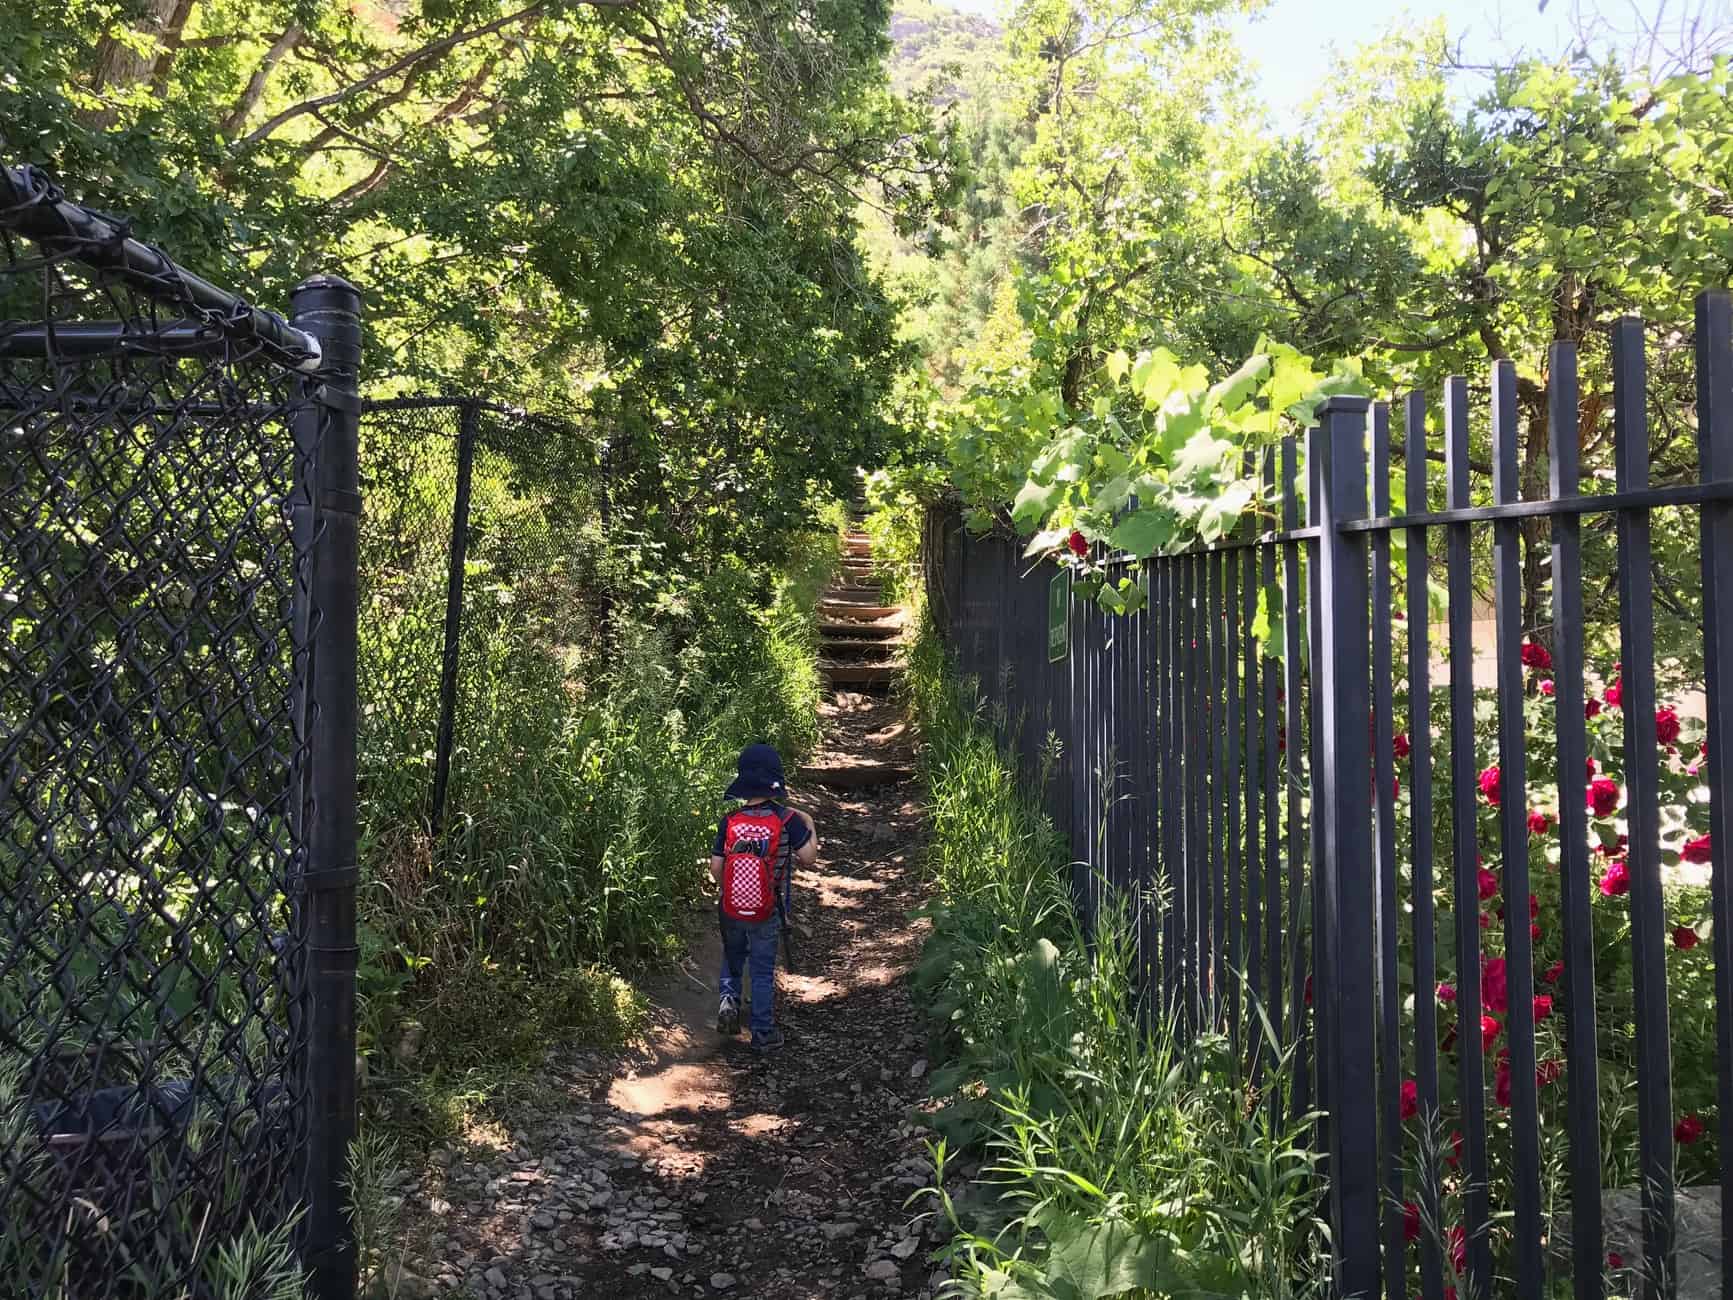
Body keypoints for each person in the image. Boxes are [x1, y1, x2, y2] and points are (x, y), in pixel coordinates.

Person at [711, 743, 817, 1052]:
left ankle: (728, 1003)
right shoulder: (788, 820)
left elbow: (716, 867)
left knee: (732, 957)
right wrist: (809, 822)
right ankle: (762, 1031)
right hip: (767, 910)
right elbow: (809, 857)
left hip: (731, 906)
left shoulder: (729, 821)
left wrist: (731, 888)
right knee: (760, 969)